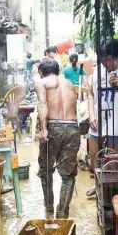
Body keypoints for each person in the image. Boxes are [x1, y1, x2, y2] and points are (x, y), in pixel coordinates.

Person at [86, 39, 118, 197]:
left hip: (116, 122)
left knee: (114, 161)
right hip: (98, 120)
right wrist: (91, 114)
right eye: (102, 59)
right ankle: (98, 185)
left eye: (108, 59)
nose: (105, 63)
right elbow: (91, 94)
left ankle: (112, 190)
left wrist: (117, 83)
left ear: (116, 57)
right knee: (94, 159)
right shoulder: (96, 72)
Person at [35, 59, 80, 219]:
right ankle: (62, 214)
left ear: (41, 72)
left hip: (54, 127)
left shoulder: (42, 82)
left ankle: (48, 210)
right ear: (58, 70)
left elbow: (42, 104)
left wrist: (43, 129)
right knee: (68, 175)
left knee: (46, 170)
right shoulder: (68, 83)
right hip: (73, 127)